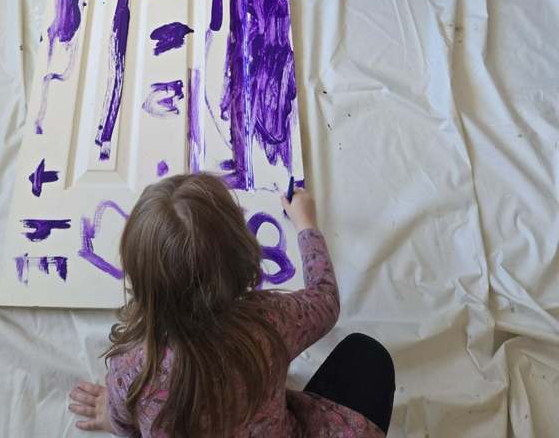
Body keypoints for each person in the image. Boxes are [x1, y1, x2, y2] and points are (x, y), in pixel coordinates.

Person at [68, 173, 395, 437]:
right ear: (244, 255)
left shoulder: (134, 369)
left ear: (140, 281)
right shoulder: (269, 321)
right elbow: (325, 301)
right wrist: (306, 225)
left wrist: (111, 416)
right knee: (368, 356)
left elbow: (126, 426)